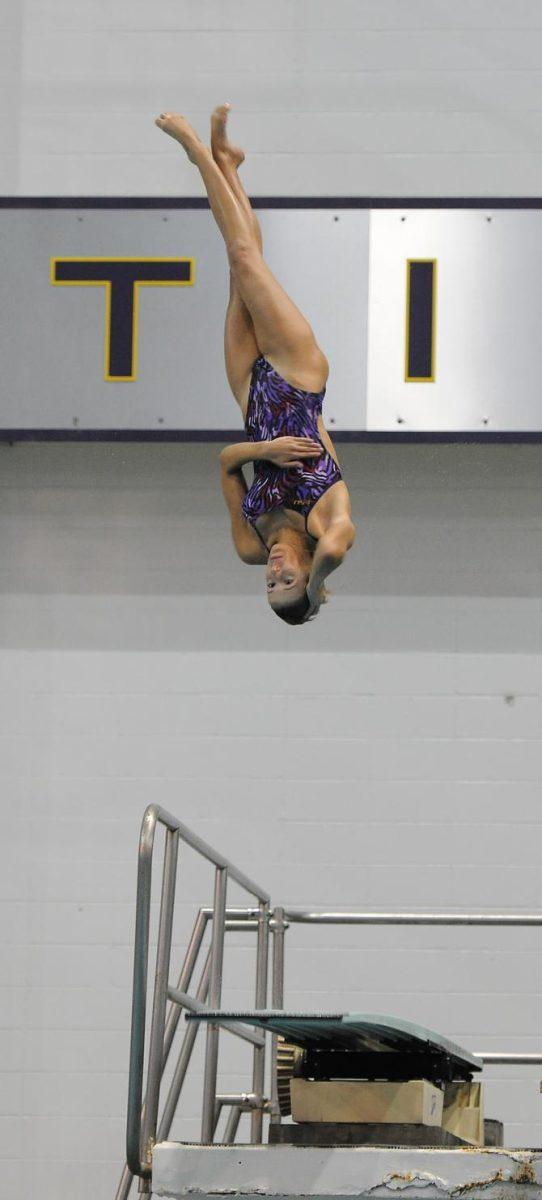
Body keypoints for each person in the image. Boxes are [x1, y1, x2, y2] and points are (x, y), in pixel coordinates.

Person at [155, 105, 356, 624]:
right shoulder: (326, 526)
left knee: (239, 266)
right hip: (298, 375)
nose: (273, 571)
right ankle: (202, 156)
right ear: (309, 574)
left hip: (249, 390)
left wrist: (264, 450)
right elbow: (335, 552)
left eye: (270, 584)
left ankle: (228, 163)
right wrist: (315, 585)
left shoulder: (250, 543)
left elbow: (225, 461)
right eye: (287, 580)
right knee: (245, 260)